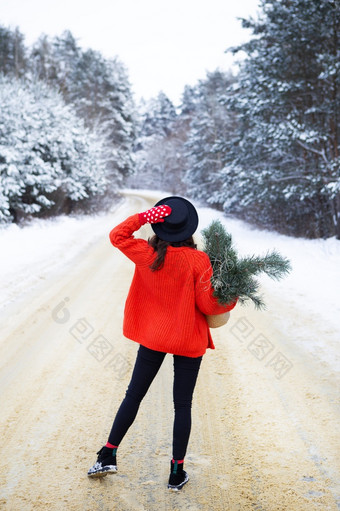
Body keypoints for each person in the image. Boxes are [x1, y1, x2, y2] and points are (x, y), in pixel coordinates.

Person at [87, 196, 237, 491]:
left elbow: (117, 235)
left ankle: (108, 454)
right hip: (187, 338)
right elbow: (208, 304)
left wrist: (143, 216)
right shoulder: (199, 260)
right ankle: (176, 472)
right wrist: (231, 295)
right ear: (188, 229)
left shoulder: (146, 253)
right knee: (182, 405)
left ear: (160, 225)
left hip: (154, 336)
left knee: (134, 395)